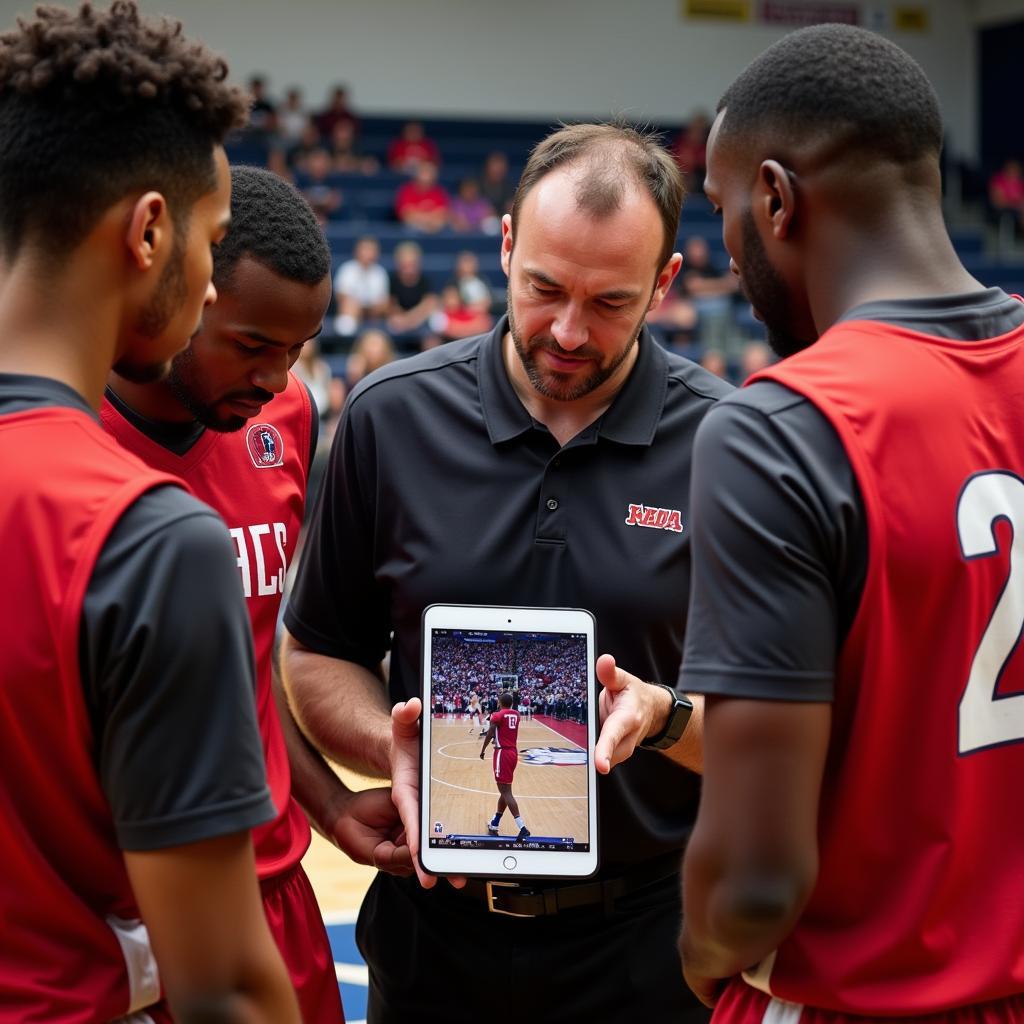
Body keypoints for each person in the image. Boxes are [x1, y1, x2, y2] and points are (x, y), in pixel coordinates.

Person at [281, 120, 732, 1024]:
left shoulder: (728, 443)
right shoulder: (389, 418)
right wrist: (391, 744)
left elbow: (776, 723)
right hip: (433, 936)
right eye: (543, 289)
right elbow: (316, 654)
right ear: (504, 243)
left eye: (610, 302)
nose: (567, 331)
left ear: (666, 284)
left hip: (650, 948)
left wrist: (666, 716)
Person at [678, 24, 1024, 1022]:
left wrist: (705, 959)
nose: (727, 251)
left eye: (726, 211)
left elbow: (754, 881)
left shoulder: (777, 428)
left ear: (776, 199)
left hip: (855, 997)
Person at [0, 3, 301, 1021]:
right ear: (149, 231)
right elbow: (225, 990)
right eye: (215, 241)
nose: (212, 275)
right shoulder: (143, 534)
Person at [102, 165, 412, 1022]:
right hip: (119, 923)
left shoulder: (284, 420)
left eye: (297, 350)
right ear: (179, 293)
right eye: (251, 344)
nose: (277, 377)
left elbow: (254, 664)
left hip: (277, 890)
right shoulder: (57, 448)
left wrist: (327, 803)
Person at [480, 693, 529, 841]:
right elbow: (503, 730)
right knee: (505, 790)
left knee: (506, 792)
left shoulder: (497, 715)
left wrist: (482, 749)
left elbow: (491, 732)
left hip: (502, 754)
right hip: (513, 753)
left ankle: (522, 828)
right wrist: (496, 735)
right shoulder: (516, 714)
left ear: (500, 702)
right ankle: (494, 823)